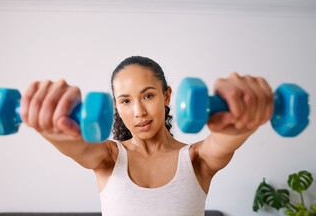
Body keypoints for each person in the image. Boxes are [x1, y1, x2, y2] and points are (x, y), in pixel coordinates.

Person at [20, 56, 274, 216]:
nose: (139, 111)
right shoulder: (108, 157)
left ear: (166, 96)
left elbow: (222, 142)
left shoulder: (196, 159)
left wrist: (242, 120)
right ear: (116, 106)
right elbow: (77, 147)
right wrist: (55, 129)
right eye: (126, 101)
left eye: (148, 95)